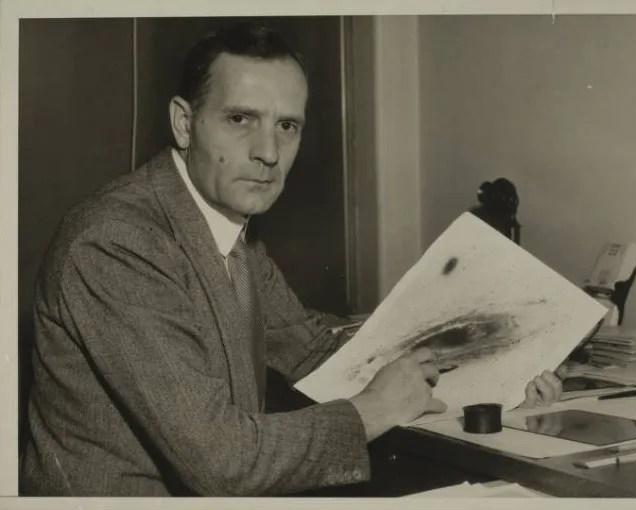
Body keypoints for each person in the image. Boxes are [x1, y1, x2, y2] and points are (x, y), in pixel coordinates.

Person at [20, 23, 563, 497]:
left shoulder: (230, 231)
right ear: (184, 124)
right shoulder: (117, 242)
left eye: (287, 125)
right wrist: (374, 409)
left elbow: (313, 354)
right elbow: (222, 462)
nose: (269, 152)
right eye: (240, 119)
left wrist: (496, 371)